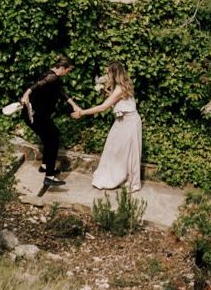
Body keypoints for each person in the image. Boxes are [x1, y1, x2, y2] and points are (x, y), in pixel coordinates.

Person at [72, 62, 142, 192]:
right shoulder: (121, 86)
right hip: (122, 121)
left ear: (113, 74)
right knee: (113, 149)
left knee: (130, 152)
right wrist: (106, 91)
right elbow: (117, 101)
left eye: (108, 73)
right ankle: (119, 175)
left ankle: (131, 181)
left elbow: (103, 107)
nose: (107, 75)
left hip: (130, 122)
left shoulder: (120, 88)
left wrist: (82, 113)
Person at [20, 56, 80, 187]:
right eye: (68, 70)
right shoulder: (51, 76)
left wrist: (74, 105)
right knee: (53, 138)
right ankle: (49, 176)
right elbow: (35, 86)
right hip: (34, 115)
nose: (68, 73)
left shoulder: (55, 79)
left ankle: (45, 166)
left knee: (48, 139)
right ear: (63, 68)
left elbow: (61, 93)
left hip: (38, 115)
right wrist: (26, 94)